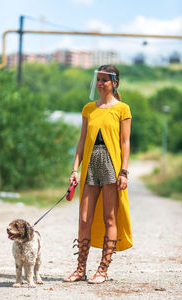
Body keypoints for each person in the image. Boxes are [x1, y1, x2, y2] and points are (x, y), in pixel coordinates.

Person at [63, 64, 133, 284]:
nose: (101, 83)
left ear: (115, 83)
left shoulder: (122, 109)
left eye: (105, 79)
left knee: (110, 217)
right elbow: (82, 141)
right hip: (91, 164)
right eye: (99, 79)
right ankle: (80, 269)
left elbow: (125, 142)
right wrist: (75, 169)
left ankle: (102, 269)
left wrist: (124, 172)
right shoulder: (88, 109)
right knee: (84, 218)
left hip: (112, 165)